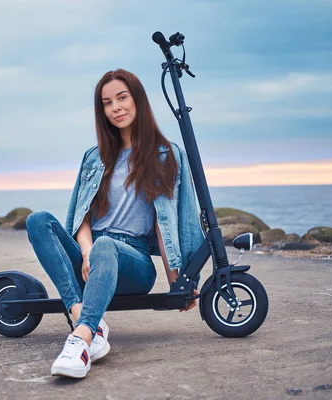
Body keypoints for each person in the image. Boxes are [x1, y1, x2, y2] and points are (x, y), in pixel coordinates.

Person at [25, 69, 205, 379]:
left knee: (107, 245)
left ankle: (80, 342)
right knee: (37, 220)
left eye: (122, 98)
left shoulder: (166, 154)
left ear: (138, 101)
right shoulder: (95, 157)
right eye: (107, 103)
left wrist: (181, 280)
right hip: (91, 254)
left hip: (132, 263)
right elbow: (81, 216)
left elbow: (172, 221)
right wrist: (86, 252)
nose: (116, 108)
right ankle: (86, 321)